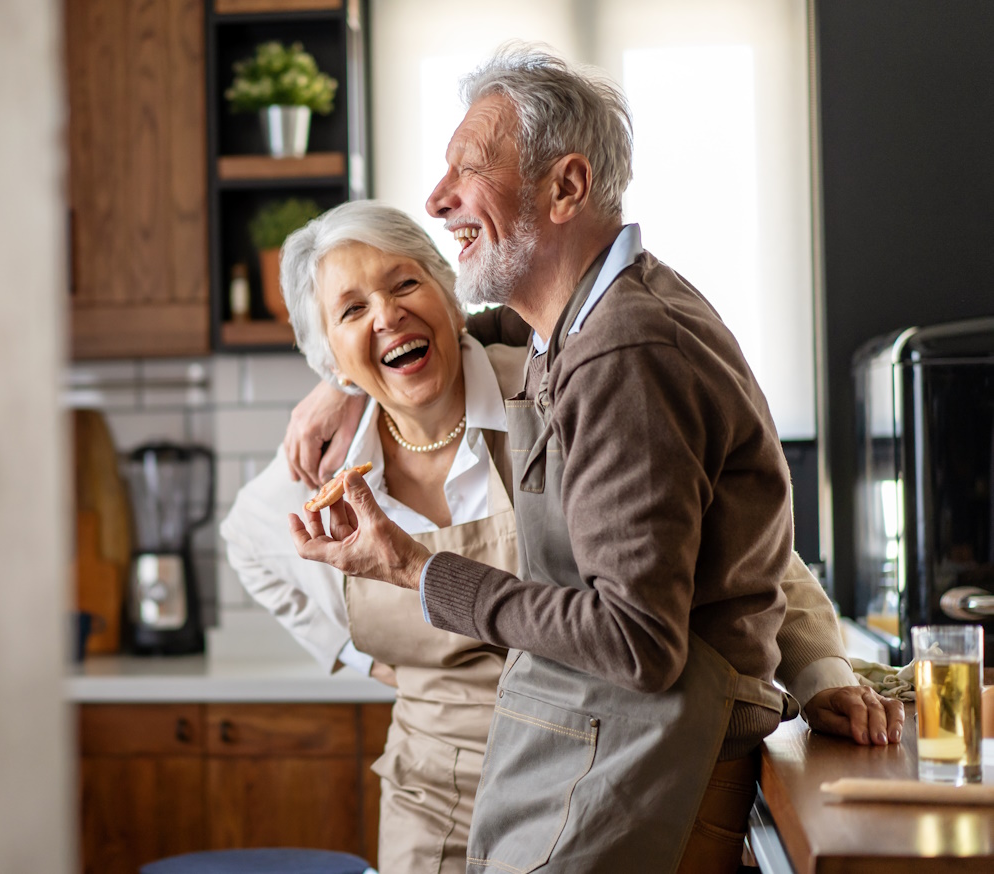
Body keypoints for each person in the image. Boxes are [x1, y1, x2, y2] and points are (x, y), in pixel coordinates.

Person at [286, 46, 899, 873]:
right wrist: (344, 385)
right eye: (349, 311)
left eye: (468, 169)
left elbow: (641, 634)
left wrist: (414, 568)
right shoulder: (571, 336)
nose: (437, 198)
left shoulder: (619, 351)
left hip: (633, 766)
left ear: (566, 188)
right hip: (532, 773)